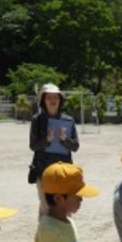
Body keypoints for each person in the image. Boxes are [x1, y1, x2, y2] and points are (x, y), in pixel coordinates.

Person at [29, 83, 80, 216]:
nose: (52, 100)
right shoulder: (37, 120)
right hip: (44, 172)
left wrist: (65, 140)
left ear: (60, 100)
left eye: (55, 97)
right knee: (46, 208)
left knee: (65, 208)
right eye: (49, 97)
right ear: (43, 100)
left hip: (64, 172)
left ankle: (65, 236)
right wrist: (47, 139)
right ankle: (45, 235)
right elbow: (33, 146)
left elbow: (75, 147)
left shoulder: (68, 120)